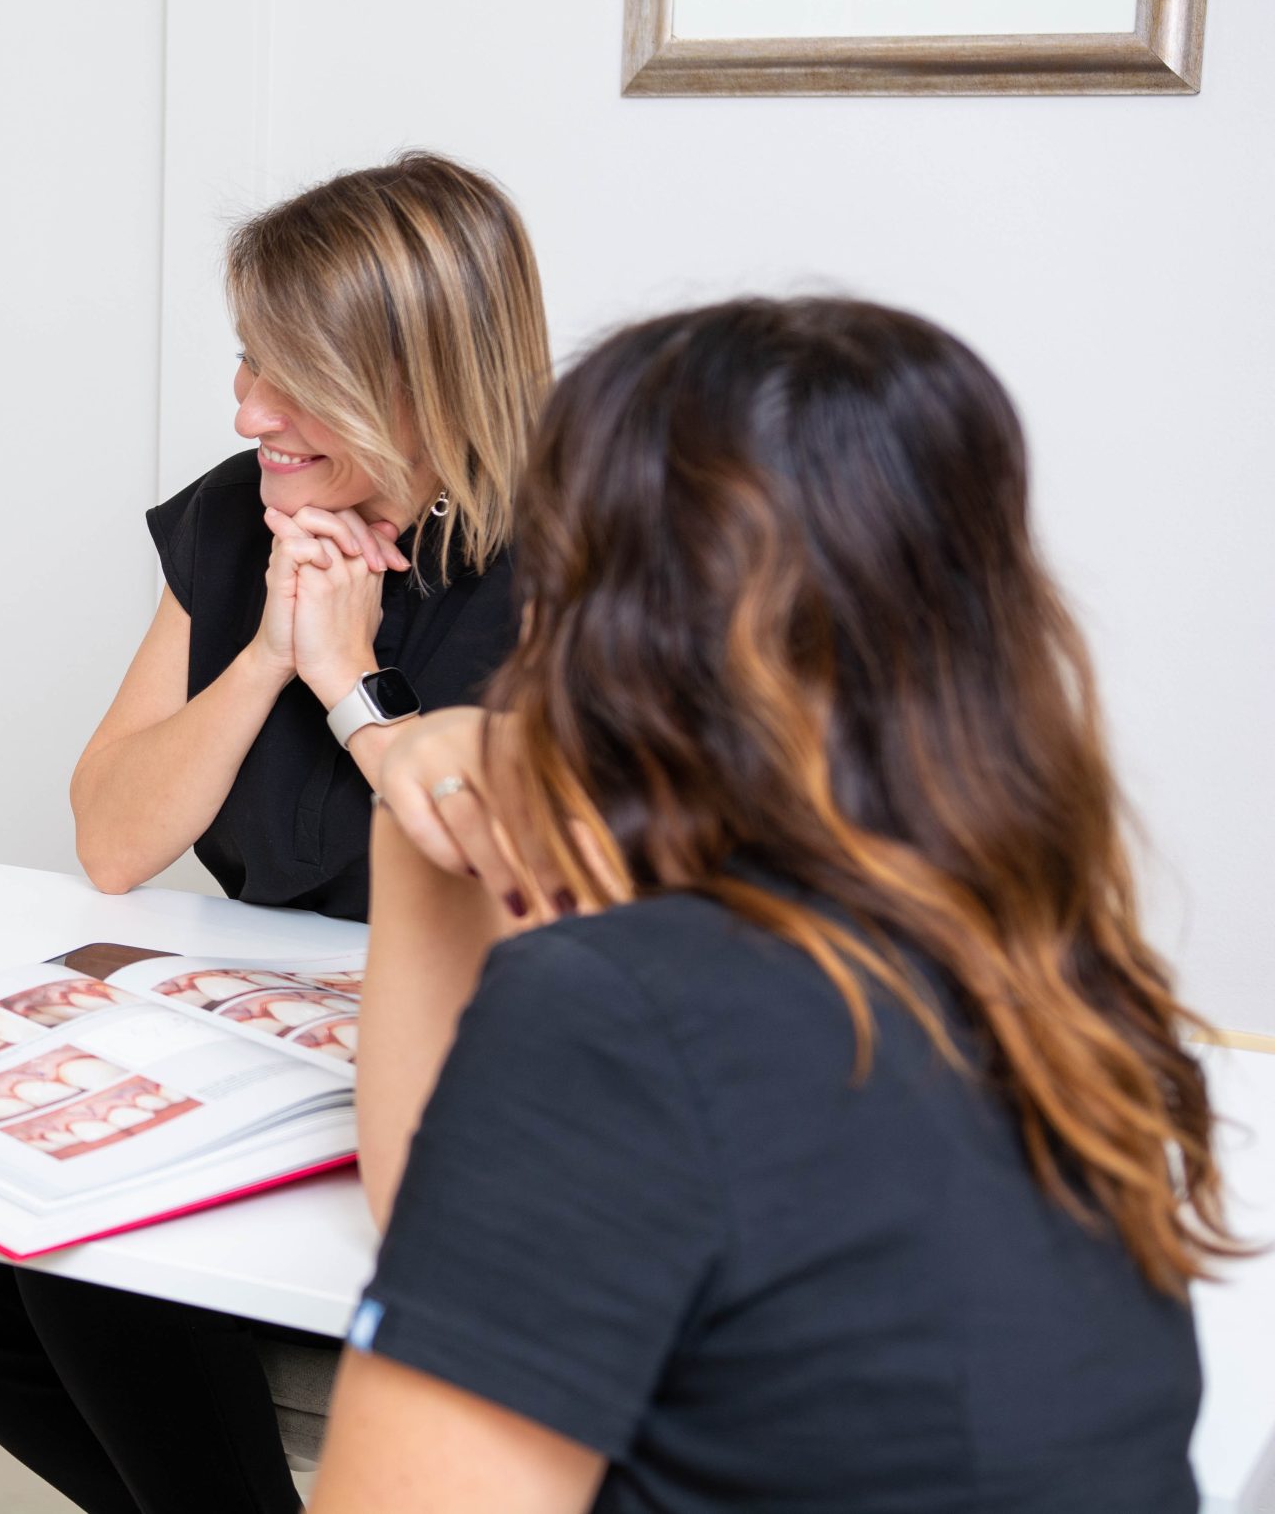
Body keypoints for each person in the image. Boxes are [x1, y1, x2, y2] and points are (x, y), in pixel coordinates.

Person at [316, 297, 1227, 1513]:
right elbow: (450, 1239)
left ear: (600, 617)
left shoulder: (622, 1013)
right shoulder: (1051, 969)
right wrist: (415, 820)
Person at [0, 153, 555, 1513]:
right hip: (268, 1041)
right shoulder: (236, 514)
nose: (250, 408)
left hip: (463, 1069)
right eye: (249, 360)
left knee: (88, 1265)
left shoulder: (581, 560)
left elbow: (517, 869)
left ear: (425, 378)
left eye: (294, 374)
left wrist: (349, 678)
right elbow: (111, 839)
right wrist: (268, 648)